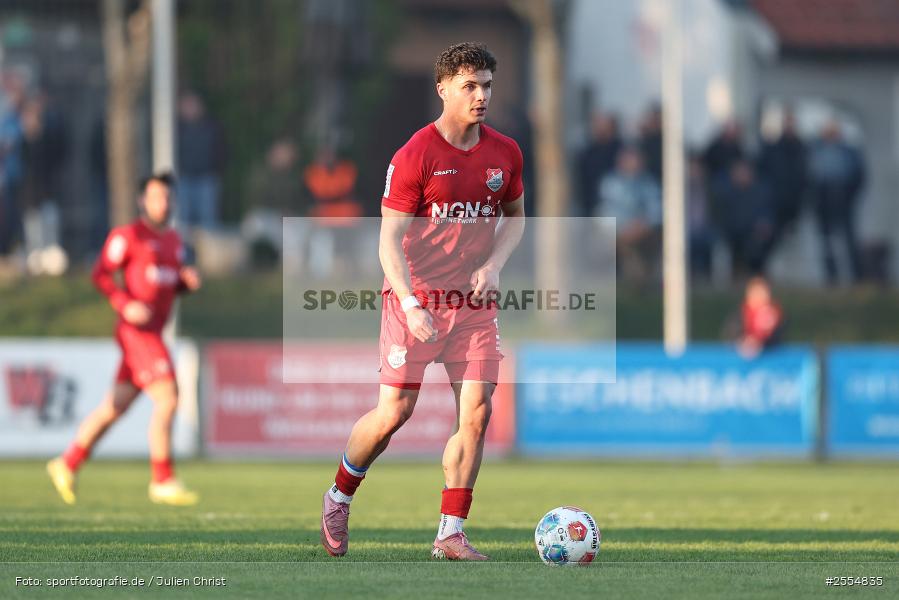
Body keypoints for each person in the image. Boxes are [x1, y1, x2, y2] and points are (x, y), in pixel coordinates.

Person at [320, 42, 526, 561]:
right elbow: (389, 241)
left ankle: (450, 532)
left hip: (474, 304)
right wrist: (411, 304)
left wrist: (494, 263)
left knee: (476, 412)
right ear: (443, 89)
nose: (481, 97)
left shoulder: (505, 153)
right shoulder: (415, 155)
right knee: (395, 412)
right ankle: (340, 494)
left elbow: (517, 217)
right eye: (470, 87)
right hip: (415, 299)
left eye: (487, 86)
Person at [47, 173, 202, 506]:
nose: (163, 203)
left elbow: (168, 284)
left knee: (114, 408)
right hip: (137, 333)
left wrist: (185, 284)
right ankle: (162, 479)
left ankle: (67, 462)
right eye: (156, 196)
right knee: (169, 397)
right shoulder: (128, 236)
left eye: (167, 197)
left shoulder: (175, 242)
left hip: (152, 332)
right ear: (142, 201)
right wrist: (124, 303)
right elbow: (100, 273)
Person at [807, 119, 865, 284]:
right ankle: (831, 277)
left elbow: (859, 176)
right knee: (826, 241)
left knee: (849, 239)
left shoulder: (849, 152)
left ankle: (857, 277)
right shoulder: (816, 150)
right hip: (823, 199)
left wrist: (849, 196)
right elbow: (810, 176)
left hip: (843, 198)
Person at [596, 146, 662, 283]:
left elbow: (656, 209)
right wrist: (625, 228)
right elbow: (607, 210)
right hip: (618, 231)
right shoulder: (610, 183)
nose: (634, 164)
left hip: (645, 231)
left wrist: (643, 225)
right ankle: (635, 279)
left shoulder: (649, 183)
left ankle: (640, 279)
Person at [712, 158, 774, 276]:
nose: (742, 175)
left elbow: (766, 214)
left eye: (745, 172)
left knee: (758, 243)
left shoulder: (760, 192)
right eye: (739, 172)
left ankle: (756, 276)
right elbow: (721, 218)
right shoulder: (725, 193)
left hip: (753, 234)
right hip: (731, 234)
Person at [757, 109, 807, 249]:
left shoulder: (802, 148)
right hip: (776, 200)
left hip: (795, 201)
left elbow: (805, 176)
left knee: (793, 239)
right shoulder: (773, 149)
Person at [176, 91, 225, 230]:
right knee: (183, 223)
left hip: (206, 179)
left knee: (208, 222)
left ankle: (208, 251)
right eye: (187, 105)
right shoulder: (175, 129)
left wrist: (216, 171)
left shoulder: (211, 126)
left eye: (193, 104)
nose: (190, 108)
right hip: (183, 179)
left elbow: (220, 151)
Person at [576, 112, 621, 216]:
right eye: (598, 126)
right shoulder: (587, 152)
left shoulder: (621, 151)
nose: (601, 130)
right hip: (591, 204)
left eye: (605, 126)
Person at [737, 276, 784, 358]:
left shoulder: (774, 312)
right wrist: (744, 341)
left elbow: (778, 334)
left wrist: (760, 342)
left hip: (770, 354)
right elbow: (732, 332)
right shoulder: (742, 312)